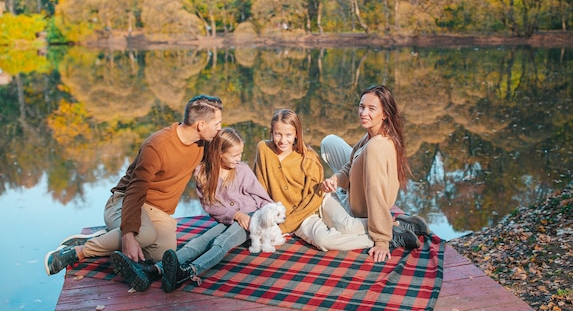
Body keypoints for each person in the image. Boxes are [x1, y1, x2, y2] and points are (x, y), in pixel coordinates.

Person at [44, 95, 223, 278]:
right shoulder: (157, 146)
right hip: (125, 201)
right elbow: (134, 192)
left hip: (158, 213)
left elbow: (226, 154)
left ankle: (107, 238)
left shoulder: (203, 143)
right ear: (201, 125)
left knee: (161, 255)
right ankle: (78, 251)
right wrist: (128, 235)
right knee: (143, 235)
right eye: (217, 124)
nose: (220, 128)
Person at [110, 128, 274, 292]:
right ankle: (153, 271)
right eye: (234, 155)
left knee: (221, 242)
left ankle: (190, 271)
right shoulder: (203, 173)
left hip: (252, 218)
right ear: (219, 153)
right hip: (230, 218)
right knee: (200, 242)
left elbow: (263, 198)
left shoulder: (242, 169)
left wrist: (264, 220)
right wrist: (235, 214)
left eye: (241, 154)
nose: (239, 159)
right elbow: (210, 206)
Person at [299, 85, 430, 262]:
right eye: (362, 106)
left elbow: (375, 191)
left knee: (332, 215)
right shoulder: (374, 133)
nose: (363, 112)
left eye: (371, 109)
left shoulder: (377, 145)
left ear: (385, 114)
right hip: (360, 183)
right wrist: (335, 179)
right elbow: (350, 164)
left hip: (362, 207)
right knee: (329, 142)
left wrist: (382, 240)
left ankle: (389, 227)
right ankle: (395, 223)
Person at [253, 109, 325, 243]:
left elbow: (313, 199)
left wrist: (285, 227)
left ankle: (368, 238)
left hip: (304, 216)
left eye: (288, 135)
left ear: (296, 134)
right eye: (278, 134)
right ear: (272, 132)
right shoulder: (264, 150)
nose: (283, 140)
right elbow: (259, 188)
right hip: (275, 217)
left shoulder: (308, 159)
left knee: (324, 240)